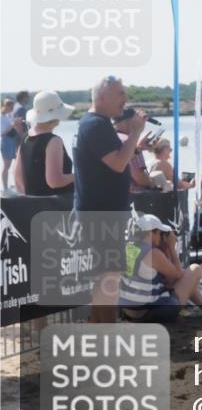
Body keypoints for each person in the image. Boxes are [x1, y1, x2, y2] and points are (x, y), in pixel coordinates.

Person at [74, 76, 148, 323]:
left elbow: (113, 159)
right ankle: (106, 332)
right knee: (108, 276)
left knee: (108, 275)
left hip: (105, 211)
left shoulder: (97, 123)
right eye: (120, 95)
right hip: (101, 213)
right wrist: (136, 131)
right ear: (102, 97)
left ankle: (99, 328)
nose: (125, 100)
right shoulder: (95, 125)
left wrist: (134, 143)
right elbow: (117, 163)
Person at [120, 212, 202, 323]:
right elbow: (177, 275)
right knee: (195, 269)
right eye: (159, 233)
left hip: (129, 311)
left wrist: (165, 250)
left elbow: (167, 280)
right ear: (152, 233)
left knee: (185, 278)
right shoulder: (153, 254)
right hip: (148, 314)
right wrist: (171, 247)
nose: (161, 236)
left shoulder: (128, 246)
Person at [14, 91, 74, 197]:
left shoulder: (25, 137)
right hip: (56, 207)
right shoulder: (53, 141)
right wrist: (78, 176)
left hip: (35, 207)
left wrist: (31, 200)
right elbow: (55, 181)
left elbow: (18, 178)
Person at [113, 111, 159, 193]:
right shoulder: (129, 143)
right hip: (133, 199)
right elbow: (139, 177)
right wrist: (154, 183)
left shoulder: (108, 138)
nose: (142, 125)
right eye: (138, 122)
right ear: (125, 122)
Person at [1, 98, 21, 192]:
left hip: (12, 140)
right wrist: (13, 124)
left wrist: (16, 124)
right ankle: (5, 187)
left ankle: (15, 185)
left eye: (12, 106)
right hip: (6, 141)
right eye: (10, 105)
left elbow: (12, 128)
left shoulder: (8, 116)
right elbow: (2, 132)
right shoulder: (1, 117)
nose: (12, 107)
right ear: (5, 106)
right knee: (7, 166)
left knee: (16, 164)